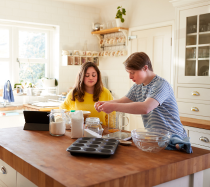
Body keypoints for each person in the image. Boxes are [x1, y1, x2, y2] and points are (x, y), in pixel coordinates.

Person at [95, 52, 188, 140]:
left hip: (174, 138)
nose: (130, 77)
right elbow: (122, 101)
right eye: (129, 73)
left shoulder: (160, 84)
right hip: (156, 138)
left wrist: (113, 107)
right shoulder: (138, 86)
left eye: (132, 72)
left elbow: (146, 108)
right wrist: (104, 103)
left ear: (145, 68)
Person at [60, 62, 113, 126]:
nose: (91, 78)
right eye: (87, 75)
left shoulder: (106, 93)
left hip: (100, 133)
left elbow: (112, 116)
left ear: (98, 76)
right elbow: (62, 109)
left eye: (94, 75)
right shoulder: (74, 93)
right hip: (79, 132)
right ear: (81, 76)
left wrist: (109, 131)